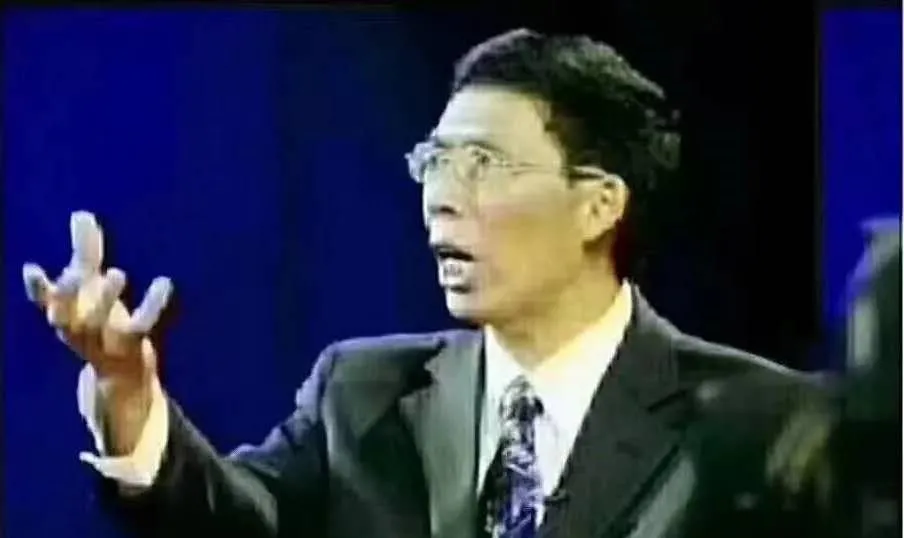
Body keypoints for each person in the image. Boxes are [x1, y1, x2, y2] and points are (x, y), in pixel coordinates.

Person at [22, 29, 822, 538]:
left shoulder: (758, 426)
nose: (440, 196)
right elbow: (238, 522)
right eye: (435, 162)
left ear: (598, 204)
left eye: (482, 164)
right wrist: (131, 399)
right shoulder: (362, 392)